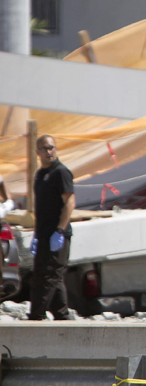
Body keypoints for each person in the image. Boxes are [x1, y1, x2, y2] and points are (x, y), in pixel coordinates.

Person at [29, 134, 75, 321]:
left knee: (49, 275)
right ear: (37, 152)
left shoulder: (61, 172)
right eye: (45, 148)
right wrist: (36, 234)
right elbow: (40, 207)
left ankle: (36, 315)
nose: (49, 152)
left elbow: (70, 202)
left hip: (57, 233)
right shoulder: (40, 174)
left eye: (52, 148)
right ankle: (62, 315)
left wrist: (60, 231)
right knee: (44, 273)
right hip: (43, 232)